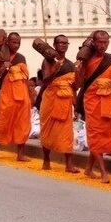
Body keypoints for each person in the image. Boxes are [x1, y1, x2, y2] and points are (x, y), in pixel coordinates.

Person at [78, 31, 111, 183]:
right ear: (94, 43)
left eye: (105, 42)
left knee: (104, 134)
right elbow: (79, 82)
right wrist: (78, 68)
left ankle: (89, 168)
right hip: (92, 100)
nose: (102, 45)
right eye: (99, 42)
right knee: (94, 134)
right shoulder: (86, 59)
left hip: (108, 101)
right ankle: (104, 171)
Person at [37, 35, 79, 173]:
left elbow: (74, 86)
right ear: (54, 45)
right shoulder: (47, 61)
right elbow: (45, 81)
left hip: (65, 100)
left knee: (67, 132)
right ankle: (46, 159)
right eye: (60, 43)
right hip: (50, 98)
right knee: (47, 129)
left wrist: (76, 105)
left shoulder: (70, 64)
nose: (63, 45)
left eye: (66, 43)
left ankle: (69, 164)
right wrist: (55, 70)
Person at [0, 32, 31, 161]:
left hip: (22, 93)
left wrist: (30, 96)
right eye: (14, 42)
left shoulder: (21, 58)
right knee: (3, 121)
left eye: (18, 42)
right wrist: (3, 68)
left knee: (23, 123)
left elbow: (26, 78)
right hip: (7, 94)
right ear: (7, 42)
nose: (16, 45)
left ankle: (20, 154)